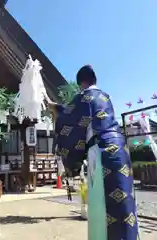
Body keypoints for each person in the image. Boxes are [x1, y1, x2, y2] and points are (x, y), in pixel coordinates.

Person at [45, 65, 138, 240]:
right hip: (121, 149)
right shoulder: (105, 96)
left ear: (82, 83)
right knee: (125, 201)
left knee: (102, 203)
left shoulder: (84, 96)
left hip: (103, 150)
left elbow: (69, 118)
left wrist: (55, 109)